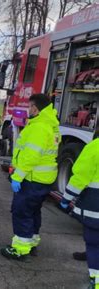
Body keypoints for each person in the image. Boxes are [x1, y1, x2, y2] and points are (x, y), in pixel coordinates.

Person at [0, 93, 60, 261]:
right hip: (42, 179)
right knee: (33, 212)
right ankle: (31, 242)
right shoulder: (48, 125)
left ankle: (20, 250)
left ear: (35, 108)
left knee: (22, 212)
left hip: (32, 179)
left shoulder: (38, 127)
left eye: (30, 106)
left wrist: (18, 176)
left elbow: (31, 156)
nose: (28, 109)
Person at [59, 123, 99, 289]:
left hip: (95, 205)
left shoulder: (94, 148)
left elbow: (79, 178)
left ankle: (96, 280)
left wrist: (66, 198)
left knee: (93, 242)